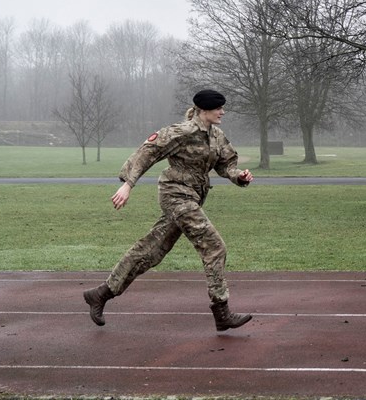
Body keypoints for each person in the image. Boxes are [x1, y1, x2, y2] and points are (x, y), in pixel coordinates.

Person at [83, 89, 255, 331]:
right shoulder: (181, 132)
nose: (222, 112)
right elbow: (147, 151)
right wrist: (128, 184)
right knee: (214, 246)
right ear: (204, 110)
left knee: (152, 250)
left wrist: (240, 176)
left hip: (192, 198)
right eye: (218, 108)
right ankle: (221, 311)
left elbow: (226, 164)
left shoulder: (216, 136)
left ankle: (101, 293)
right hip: (175, 195)